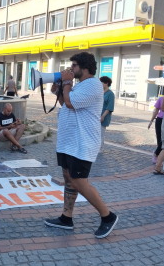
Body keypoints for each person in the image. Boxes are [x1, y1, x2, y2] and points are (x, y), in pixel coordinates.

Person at [44, 52, 118, 239]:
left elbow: (70, 103)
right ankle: (66, 218)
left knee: (79, 181)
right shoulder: (80, 85)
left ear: (85, 68)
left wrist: (66, 83)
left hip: (82, 142)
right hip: (69, 142)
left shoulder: (93, 85)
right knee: (69, 178)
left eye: (74, 66)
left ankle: (107, 217)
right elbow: (64, 102)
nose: (71, 69)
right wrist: (60, 89)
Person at [148, 85, 164, 164]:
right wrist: (151, 121)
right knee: (160, 140)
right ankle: (157, 155)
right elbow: (156, 110)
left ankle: (157, 154)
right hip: (160, 120)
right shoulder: (161, 99)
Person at [100, 76, 115, 151]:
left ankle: (100, 148)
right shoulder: (100, 92)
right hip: (96, 116)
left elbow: (109, 107)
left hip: (103, 117)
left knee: (100, 133)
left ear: (106, 83)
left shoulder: (110, 94)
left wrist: (103, 116)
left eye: (101, 82)